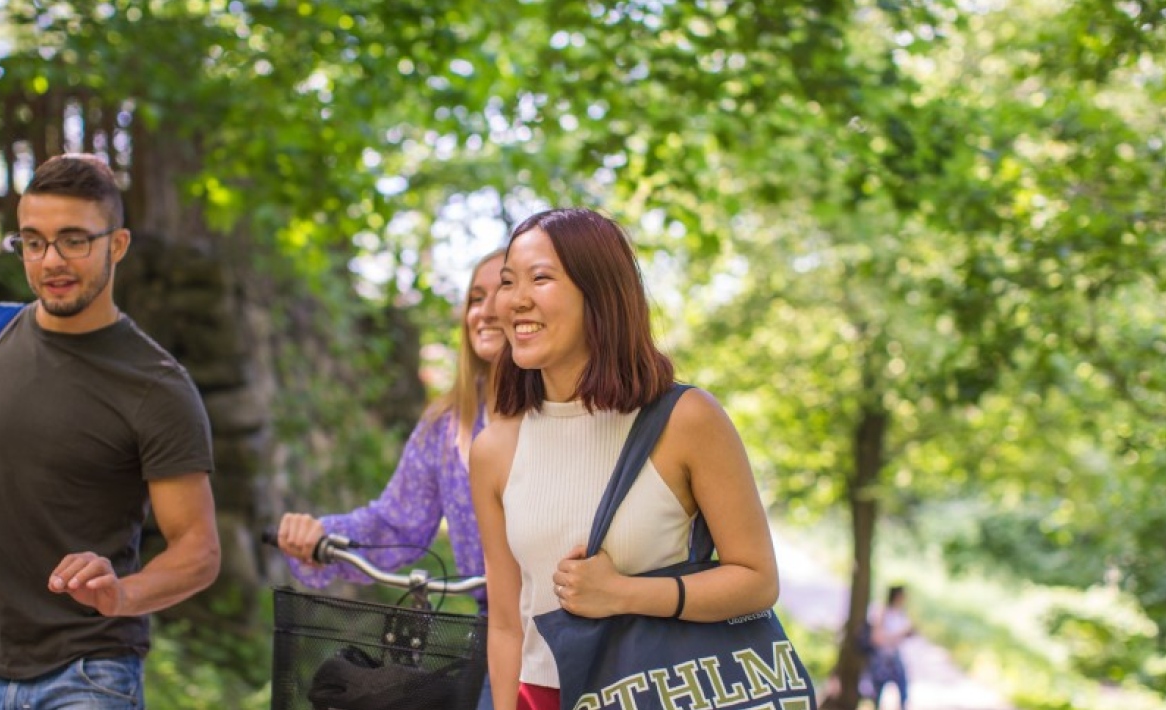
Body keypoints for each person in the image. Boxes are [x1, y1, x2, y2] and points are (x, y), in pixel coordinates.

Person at [0, 153, 220, 708]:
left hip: (88, 675)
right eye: (33, 241)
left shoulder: (158, 385)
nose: (51, 260)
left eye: (74, 240)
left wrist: (122, 594)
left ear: (116, 245)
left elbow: (198, 550)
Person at [469, 207, 784, 710]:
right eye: (509, 282)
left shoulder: (686, 420)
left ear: (600, 294)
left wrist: (623, 594)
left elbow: (758, 580)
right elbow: (507, 624)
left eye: (541, 278)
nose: (515, 300)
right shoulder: (494, 451)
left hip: (655, 691)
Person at [273, 248, 506, 599]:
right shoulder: (447, 424)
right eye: (475, 298)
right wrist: (321, 535)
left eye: (503, 292)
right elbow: (397, 525)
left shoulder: (570, 411)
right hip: (492, 628)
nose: (484, 312)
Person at [869, 585, 914, 709]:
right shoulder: (882, 612)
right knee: (876, 693)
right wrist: (899, 635)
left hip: (896, 656)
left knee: (903, 693)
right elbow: (877, 638)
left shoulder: (901, 614)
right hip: (882, 658)